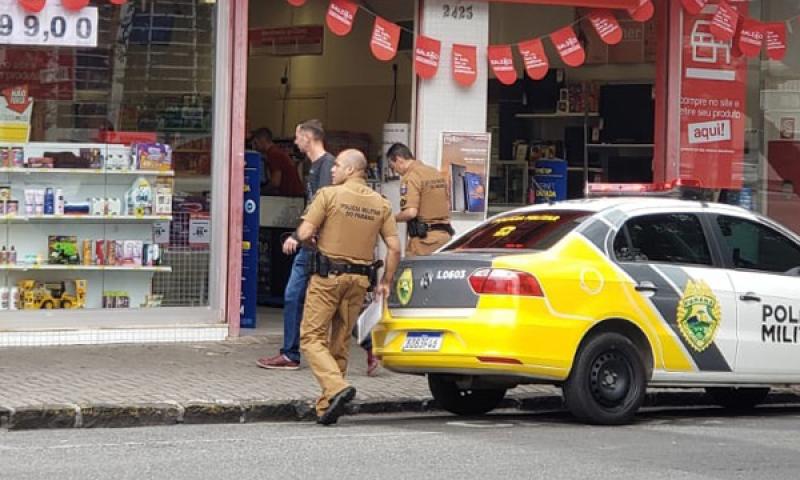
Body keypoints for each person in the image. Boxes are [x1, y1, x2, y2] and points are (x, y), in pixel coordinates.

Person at [295, 149, 401, 425]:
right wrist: (386, 282)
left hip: (328, 277)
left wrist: (312, 242)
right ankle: (326, 406)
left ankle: (337, 388)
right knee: (339, 342)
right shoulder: (381, 203)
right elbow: (394, 247)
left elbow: (305, 233)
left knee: (311, 337)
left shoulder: (329, 195)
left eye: (338, 165)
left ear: (352, 170)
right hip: (360, 280)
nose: (332, 169)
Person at [257, 120, 336, 370]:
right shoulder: (313, 167)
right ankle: (290, 353)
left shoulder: (328, 166)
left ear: (309, 138)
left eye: (297, 137)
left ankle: (368, 344)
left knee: (334, 301)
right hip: (310, 244)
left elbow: (323, 206)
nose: (294, 141)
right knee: (295, 296)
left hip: (322, 246)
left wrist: (301, 235)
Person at [386, 143, 454, 256]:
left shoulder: (411, 177)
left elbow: (411, 212)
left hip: (424, 241)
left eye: (393, 167)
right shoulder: (435, 172)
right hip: (444, 238)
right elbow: (447, 203)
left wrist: (391, 219)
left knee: (410, 273)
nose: (395, 172)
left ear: (399, 160)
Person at [251, 127, 304, 197]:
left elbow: (275, 182)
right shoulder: (277, 151)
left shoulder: (273, 154)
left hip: (291, 196)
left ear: (262, 140)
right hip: (295, 195)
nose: (254, 147)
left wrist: (260, 191)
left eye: (255, 142)